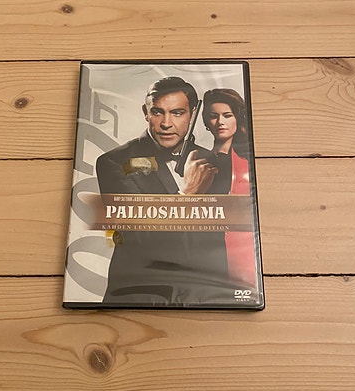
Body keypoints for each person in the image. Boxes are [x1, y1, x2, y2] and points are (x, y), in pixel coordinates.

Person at [96, 77, 237, 306]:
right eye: (157, 112)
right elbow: (139, 236)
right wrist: (187, 195)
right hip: (140, 295)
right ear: (146, 113)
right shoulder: (114, 162)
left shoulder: (215, 163)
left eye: (177, 113)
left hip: (205, 298)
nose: (166, 123)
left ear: (192, 114)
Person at [202, 88, 257, 287]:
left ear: (237, 118)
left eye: (227, 115)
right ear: (206, 122)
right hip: (204, 252)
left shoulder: (247, 163)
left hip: (238, 253)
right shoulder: (197, 162)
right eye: (213, 116)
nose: (220, 122)